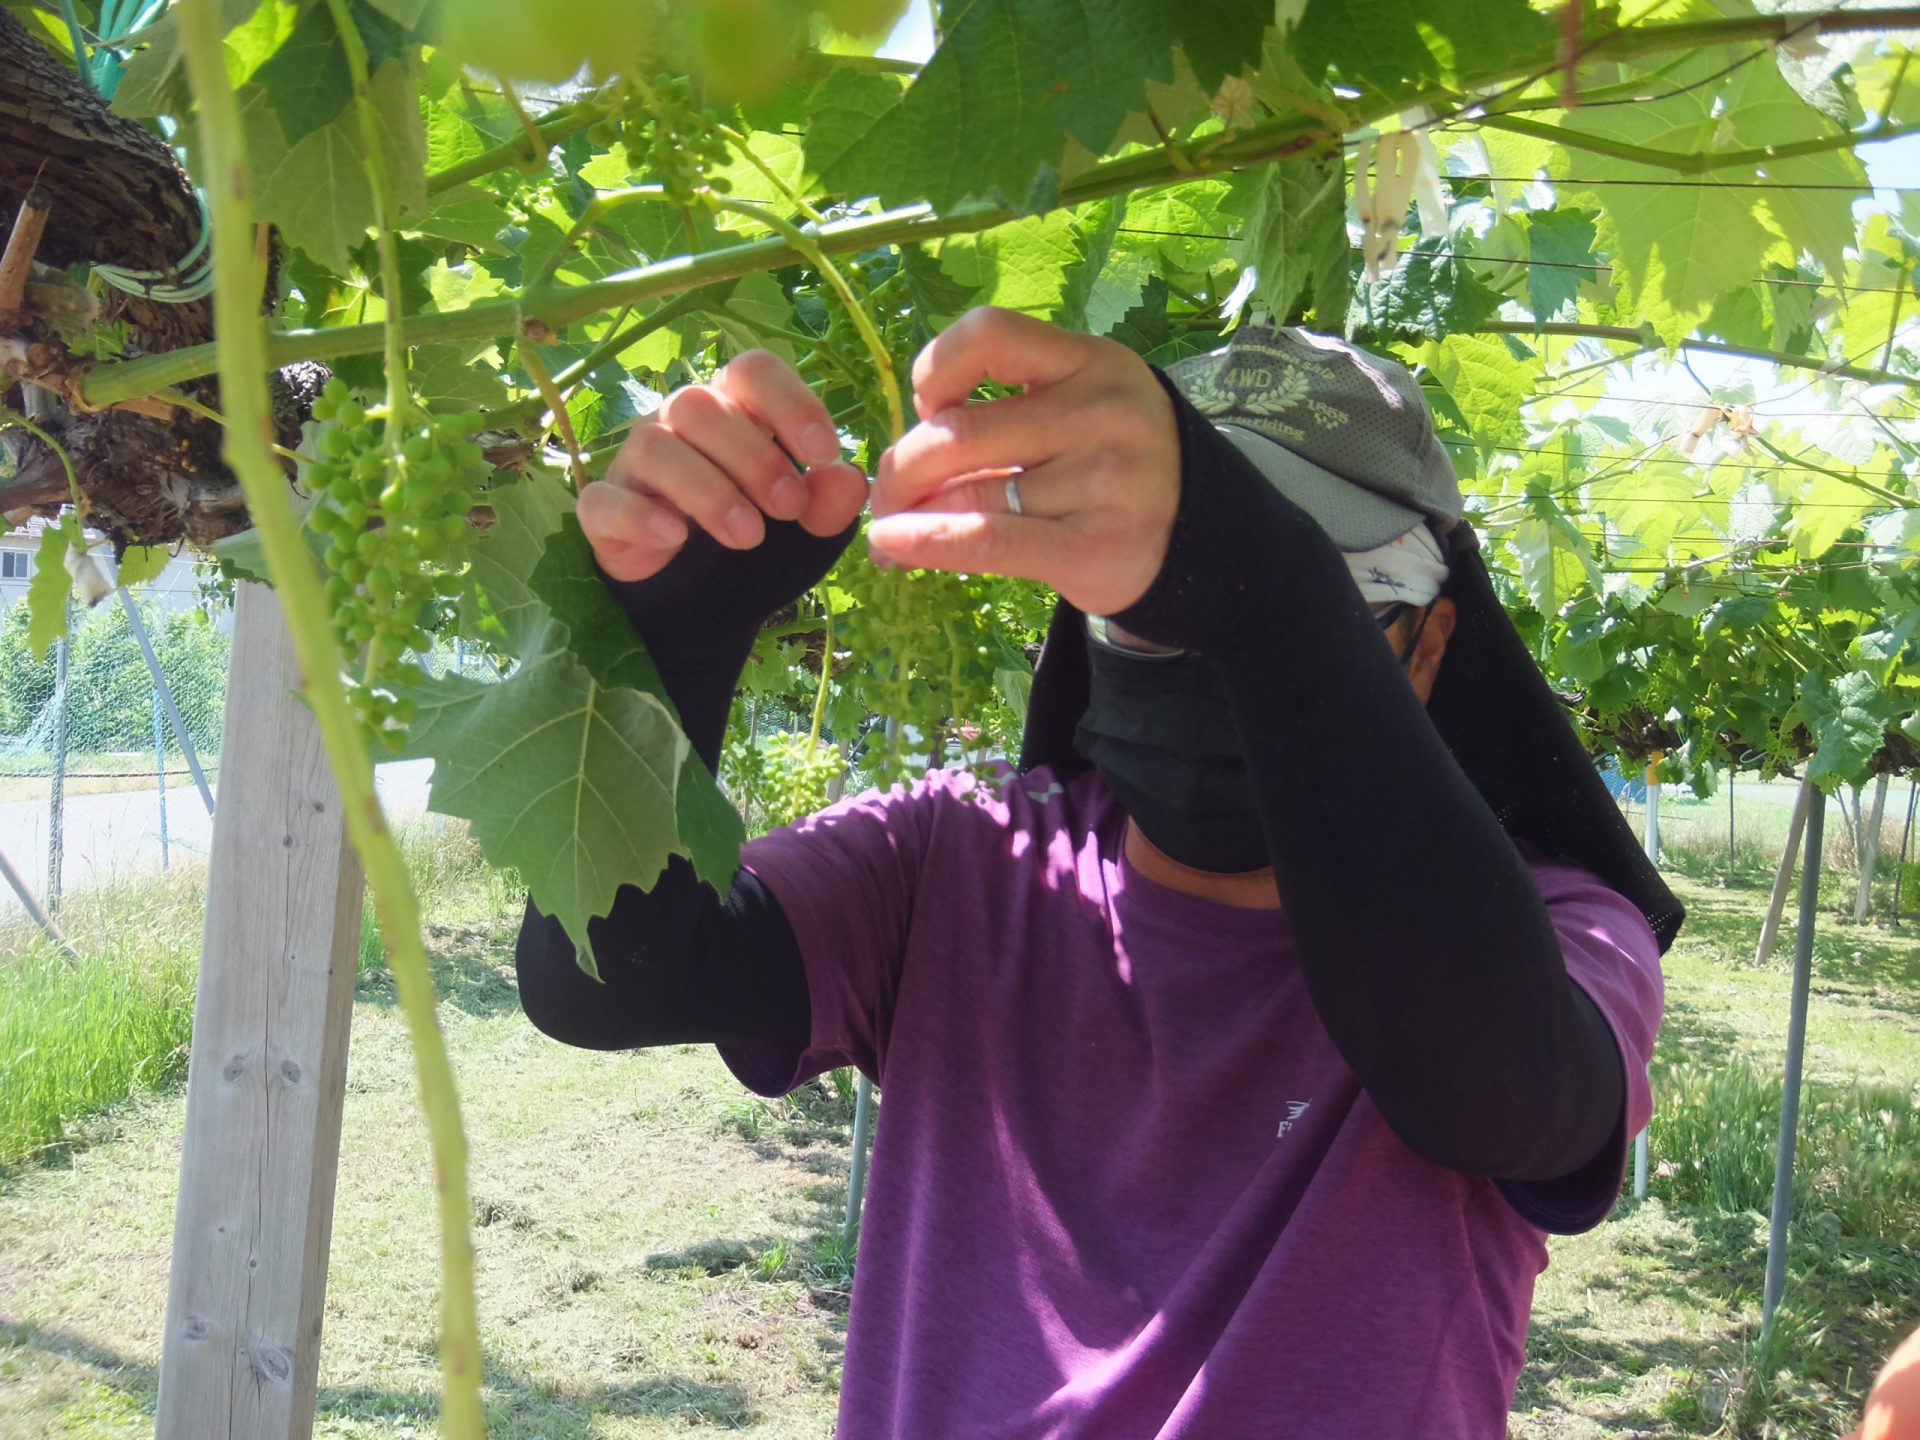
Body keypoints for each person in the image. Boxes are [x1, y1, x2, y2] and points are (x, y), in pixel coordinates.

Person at [516, 307, 1683, 1438]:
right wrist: (664, 665)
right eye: (1160, 605)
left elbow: (1503, 1093)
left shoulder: (1558, 931)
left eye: (1300, 600)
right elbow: (606, 980)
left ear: (1429, 647)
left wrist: (1271, 600)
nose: (1208, 643)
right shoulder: (958, 858)